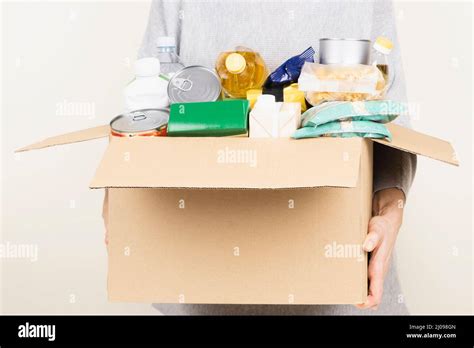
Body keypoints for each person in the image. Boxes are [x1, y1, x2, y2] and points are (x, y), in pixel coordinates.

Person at [104, 0, 417, 315]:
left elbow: (392, 124)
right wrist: (119, 192)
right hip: (206, 281)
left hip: (340, 285)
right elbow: (145, 113)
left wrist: (391, 209)